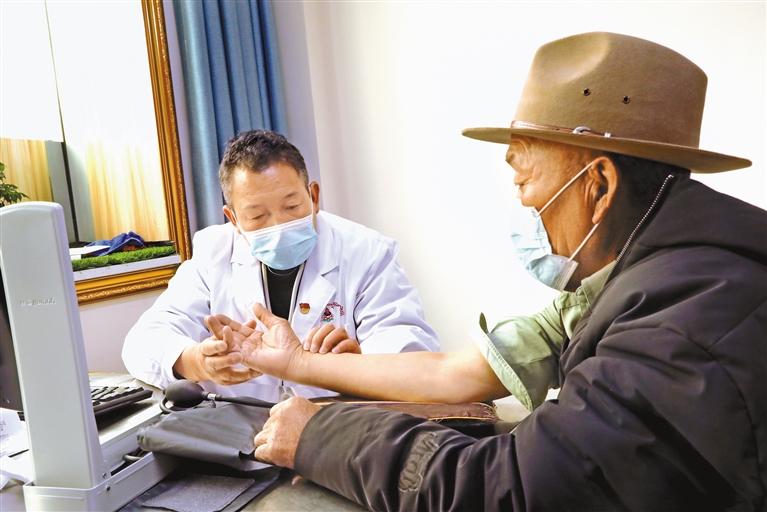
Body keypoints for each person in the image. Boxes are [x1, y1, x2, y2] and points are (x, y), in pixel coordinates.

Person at [212, 32, 766, 510]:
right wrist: (297, 363)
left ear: (598, 186)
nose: (522, 203)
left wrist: (321, 437)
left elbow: (514, 489)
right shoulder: (631, 282)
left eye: (524, 181)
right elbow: (456, 374)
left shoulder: (681, 322)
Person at [122, 130, 439, 402]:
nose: (279, 225)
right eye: (257, 216)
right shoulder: (213, 252)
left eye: (292, 206)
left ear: (313, 196)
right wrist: (197, 362)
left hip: (338, 427)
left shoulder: (366, 251)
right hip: (239, 432)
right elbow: (143, 342)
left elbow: (411, 355)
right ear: (233, 218)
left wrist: (356, 367)